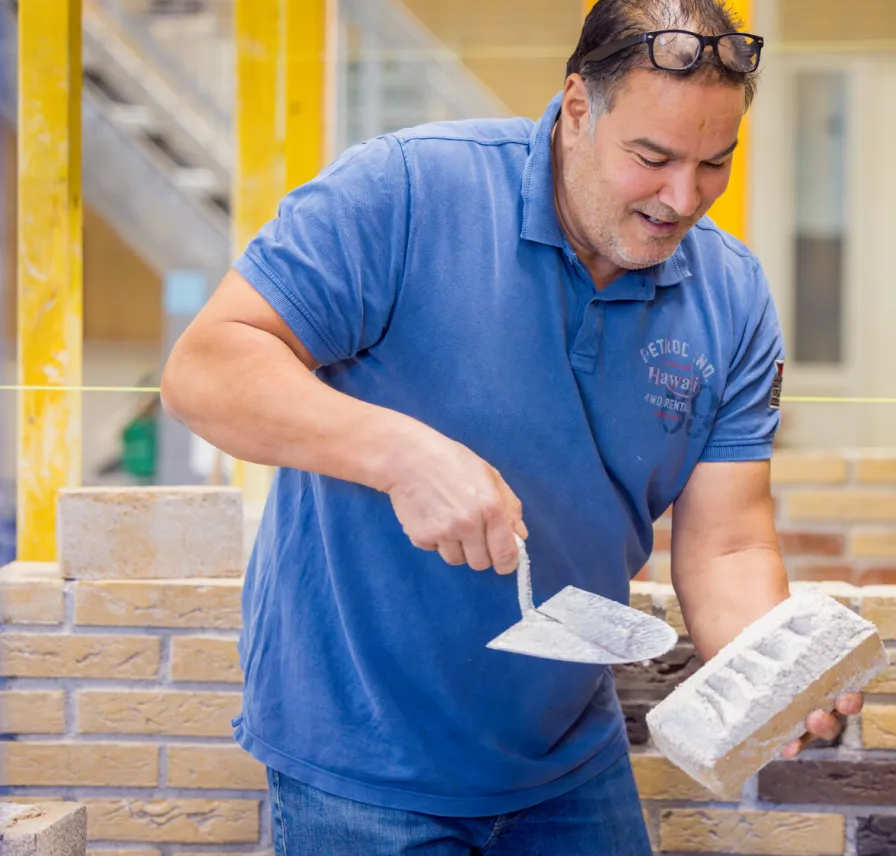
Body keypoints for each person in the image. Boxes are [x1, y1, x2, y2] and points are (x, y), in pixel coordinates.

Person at [160, 1, 860, 853]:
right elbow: (205, 369)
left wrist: (775, 672)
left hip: (566, 754)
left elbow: (728, 548)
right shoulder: (409, 191)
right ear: (576, 109)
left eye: (715, 163)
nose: (683, 199)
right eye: (652, 158)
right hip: (362, 754)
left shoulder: (732, 295)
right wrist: (400, 454)